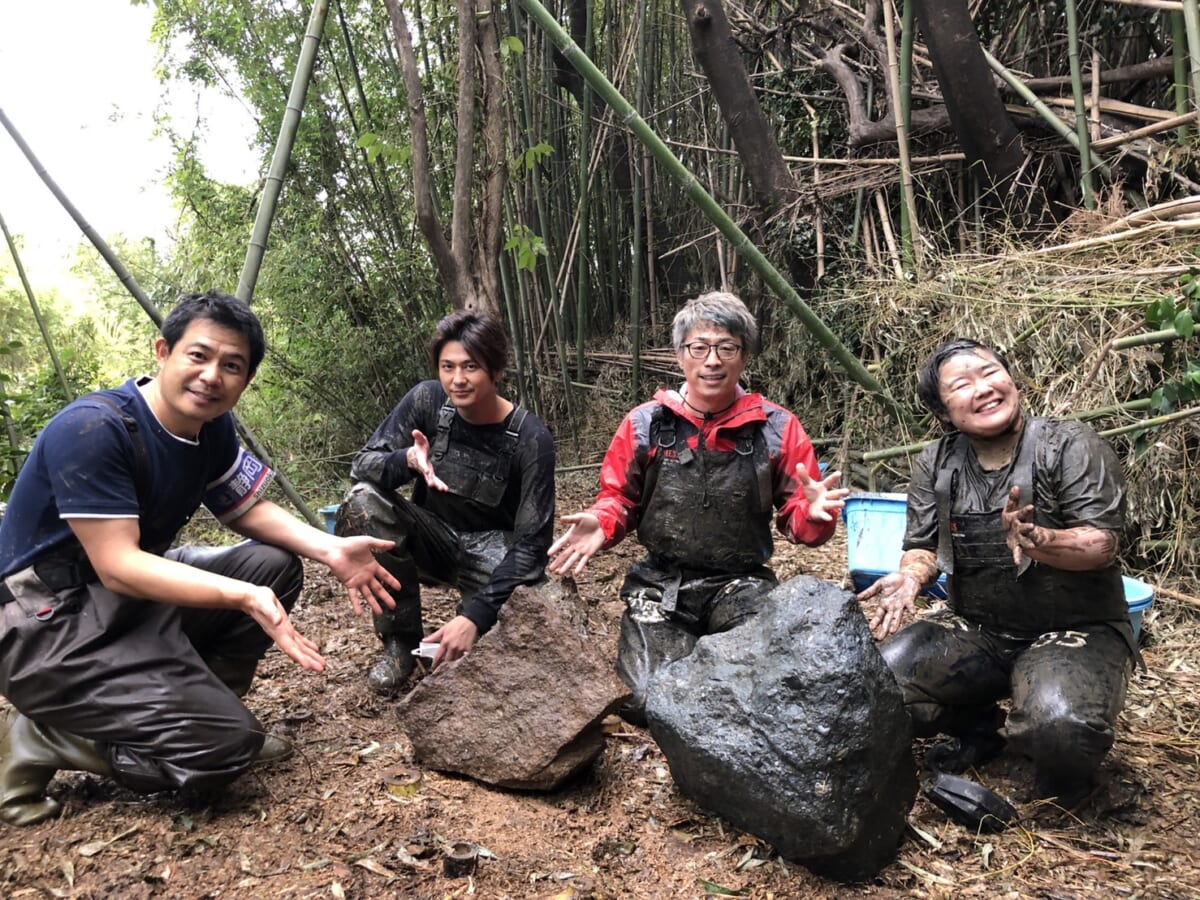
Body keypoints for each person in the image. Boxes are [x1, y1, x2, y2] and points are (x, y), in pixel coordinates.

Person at [0, 290, 401, 827]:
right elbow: (117, 564)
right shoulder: (94, 429)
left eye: (231, 365)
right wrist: (238, 594)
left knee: (272, 567)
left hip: (118, 601)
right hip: (41, 623)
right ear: (163, 351)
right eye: (199, 355)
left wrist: (331, 549)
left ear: (245, 380)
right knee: (225, 750)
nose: (212, 376)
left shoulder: (212, 428)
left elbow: (244, 508)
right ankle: (50, 733)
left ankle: (202, 705)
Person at [548, 291, 848, 724]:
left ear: (744, 356)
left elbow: (800, 518)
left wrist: (816, 516)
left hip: (742, 584)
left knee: (757, 692)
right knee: (645, 703)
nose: (713, 360)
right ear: (679, 355)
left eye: (728, 348)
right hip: (662, 583)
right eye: (700, 347)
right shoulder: (645, 424)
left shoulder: (777, 427)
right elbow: (619, 498)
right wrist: (604, 521)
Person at [860, 338, 1136, 804]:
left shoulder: (1067, 444)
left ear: (1011, 379)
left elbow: (1101, 544)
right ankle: (979, 727)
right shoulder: (937, 461)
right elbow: (923, 546)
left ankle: (1068, 771)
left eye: (990, 373)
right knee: (877, 683)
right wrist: (910, 574)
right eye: (962, 384)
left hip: (1075, 629)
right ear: (945, 412)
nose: (983, 388)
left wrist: (1042, 541)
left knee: (1059, 724)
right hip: (981, 629)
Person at [337, 310, 556, 694]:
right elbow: (362, 466)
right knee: (362, 503)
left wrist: (475, 616)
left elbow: (532, 546)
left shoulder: (530, 437)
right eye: (448, 366)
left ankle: (464, 635)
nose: (458, 379)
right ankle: (400, 643)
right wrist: (405, 460)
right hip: (431, 537)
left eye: (471, 366)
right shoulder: (427, 400)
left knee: (537, 613)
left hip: (494, 552)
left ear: (496, 370)